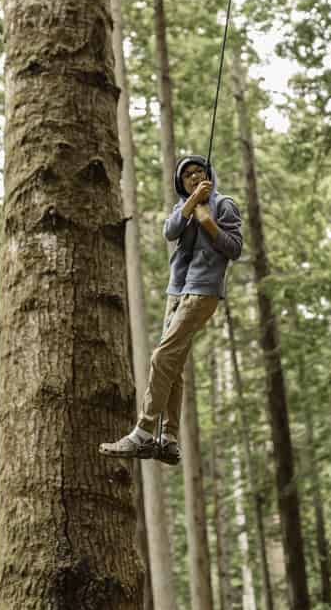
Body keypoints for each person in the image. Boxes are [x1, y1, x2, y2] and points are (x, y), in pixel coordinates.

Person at [101, 154, 242, 465]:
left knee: (162, 356)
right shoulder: (184, 207)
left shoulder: (223, 205)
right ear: (182, 182)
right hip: (176, 291)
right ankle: (169, 440)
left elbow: (235, 248)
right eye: (188, 174)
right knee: (173, 364)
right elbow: (170, 231)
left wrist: (210, 225)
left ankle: (143, 433)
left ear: (209, 174)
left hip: (202, 291)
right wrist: (192, 205)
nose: (194, 177)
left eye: (199, 171)